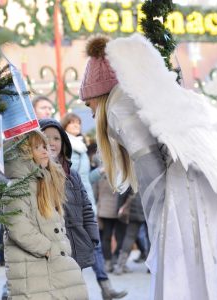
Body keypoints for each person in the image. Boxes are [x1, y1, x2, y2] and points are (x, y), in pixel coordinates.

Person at [80, 33, 217, 299]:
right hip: (210, 190)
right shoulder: (144, 97)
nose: (92, 112)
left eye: (89, 102)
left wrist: (159, 230)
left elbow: (151, 173)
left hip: (182, 197)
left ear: (100, 95)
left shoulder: (118, 108)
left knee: (180, 274)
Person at [40, 118, 127, 300]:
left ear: (63, 142)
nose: (51, 143)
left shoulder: (73, 173)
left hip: (75, 236)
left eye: (56, 138)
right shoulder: (35, 176)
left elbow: (86, 205)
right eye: (46, 138)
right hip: (49, 248)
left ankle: (106, 287)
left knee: (74, 290)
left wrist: (92, 235)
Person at [3, 130, 88, 300]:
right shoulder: (18, 186)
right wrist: (48, 249)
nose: (44, 151)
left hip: (52, 264)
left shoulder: (43, 181)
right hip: (36, 266)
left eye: (45, 146)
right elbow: (18, 226)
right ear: (24, 153)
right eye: (37, 147)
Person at [113, 189, 145, 275]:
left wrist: (119, 208)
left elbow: (123, 193)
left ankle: (120, 265)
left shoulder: (133, 175)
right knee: (150, 237)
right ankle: (151, 266)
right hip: (148, 206)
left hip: (134, 208)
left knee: (129, 236)